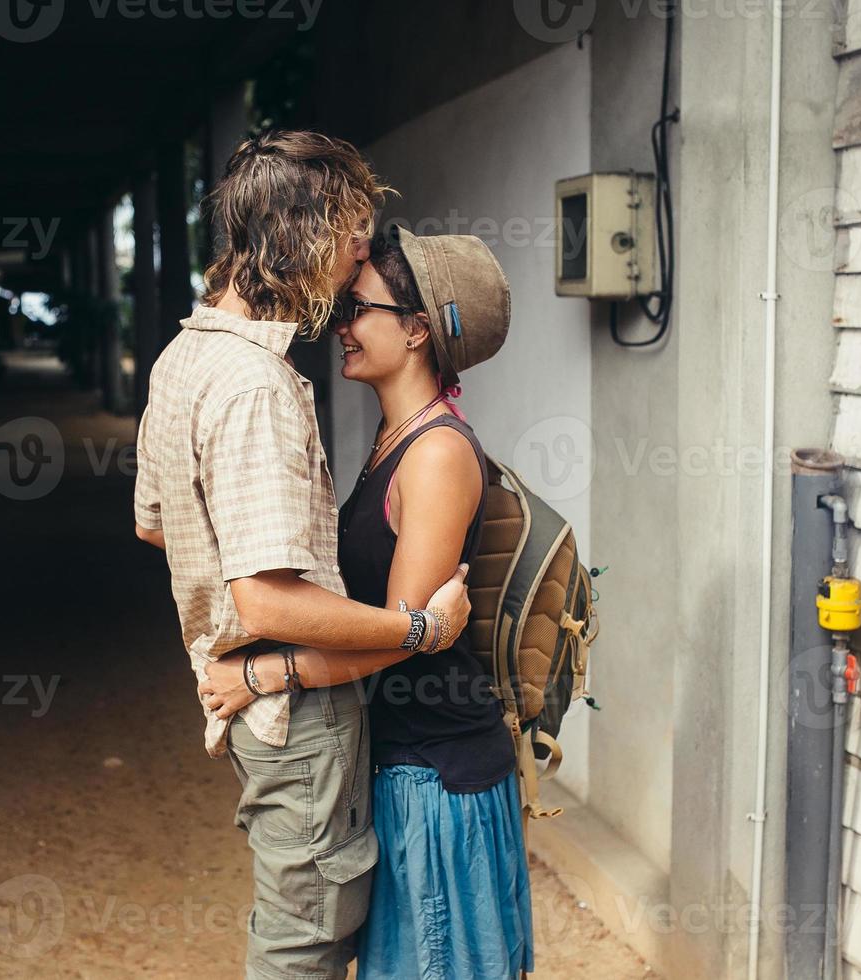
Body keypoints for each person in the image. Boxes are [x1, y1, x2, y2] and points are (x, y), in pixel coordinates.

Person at [132, 131, 472, 980]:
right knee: (305, 943)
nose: (362, 254)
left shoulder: (183, 356)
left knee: (297, 919)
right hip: (300, 717)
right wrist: (419, 626)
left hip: (257, 705)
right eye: (353, 233)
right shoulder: (255, 386)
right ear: (306, 241)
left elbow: (155, 523)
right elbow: (268, 604)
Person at [202, 227, 535, 980]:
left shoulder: (440, 454)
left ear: (417, 329)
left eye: (358, 309)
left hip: (434, 777)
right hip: (398, 768)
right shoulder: (395, 437)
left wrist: (265, 675)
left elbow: (403, 636)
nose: (340, 326)